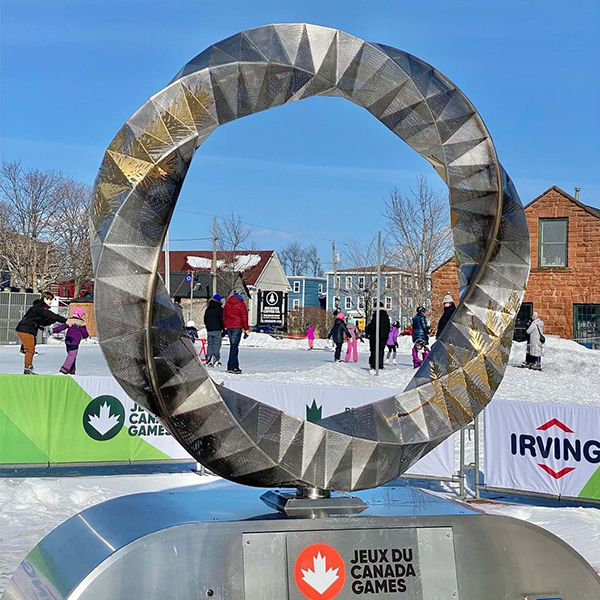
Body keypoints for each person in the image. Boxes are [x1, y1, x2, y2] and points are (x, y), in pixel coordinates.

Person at [16, 292, 71, 374]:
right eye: (50, 300)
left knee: (31, 348)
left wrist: (53, 320)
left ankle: (25, 356)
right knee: (30, 350)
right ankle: (27, 368)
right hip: (25, 329)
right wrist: (65, 320)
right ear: (45, 298)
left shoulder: (39, 308)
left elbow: (43, 321)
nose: (51, 302)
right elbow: (50, 315)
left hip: (27, 329)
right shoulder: (39, 308)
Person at [52, 307, 89, 374]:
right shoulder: (81, 324)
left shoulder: (70, 321)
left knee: (72, 355)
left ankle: (72, 371)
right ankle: (64, 370)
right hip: (75, 342)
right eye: (83, 315)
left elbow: (61, 327)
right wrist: (85, 336)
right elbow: (85, 333)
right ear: (80, 315)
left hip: (68, 341)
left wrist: (54, 330)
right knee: (71, 356)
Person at [223, 288, 249, 374]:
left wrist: (225, 326)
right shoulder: (241, 304)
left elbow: (224, 316)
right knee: (234, 347)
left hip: (229, 327)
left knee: (234, 346)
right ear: (240, 294)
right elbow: (244, 317)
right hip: (237, 327)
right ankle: (232, 366)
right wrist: (246, 329)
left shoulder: (227, 304)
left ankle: (235, 366)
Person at [365, 302, 391, 372]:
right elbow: (388, 326)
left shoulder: (376, 315)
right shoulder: (386, 315)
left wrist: (368, 331)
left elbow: (373, 325)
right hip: (384, 336)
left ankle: (374, 364)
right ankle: (380, 364)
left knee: (374, 350)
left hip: (375, 335)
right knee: (381, 350)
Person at [204, 294, 225, 367]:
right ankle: (216, 358)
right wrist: (223, 328)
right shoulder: (220, 310)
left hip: (209, 329)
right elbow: (222, 320)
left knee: (210, 344)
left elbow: (205, 319)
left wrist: (207, 327)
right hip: (217, 329)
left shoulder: (208, 309)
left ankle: (208, 358)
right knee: (216, 344)